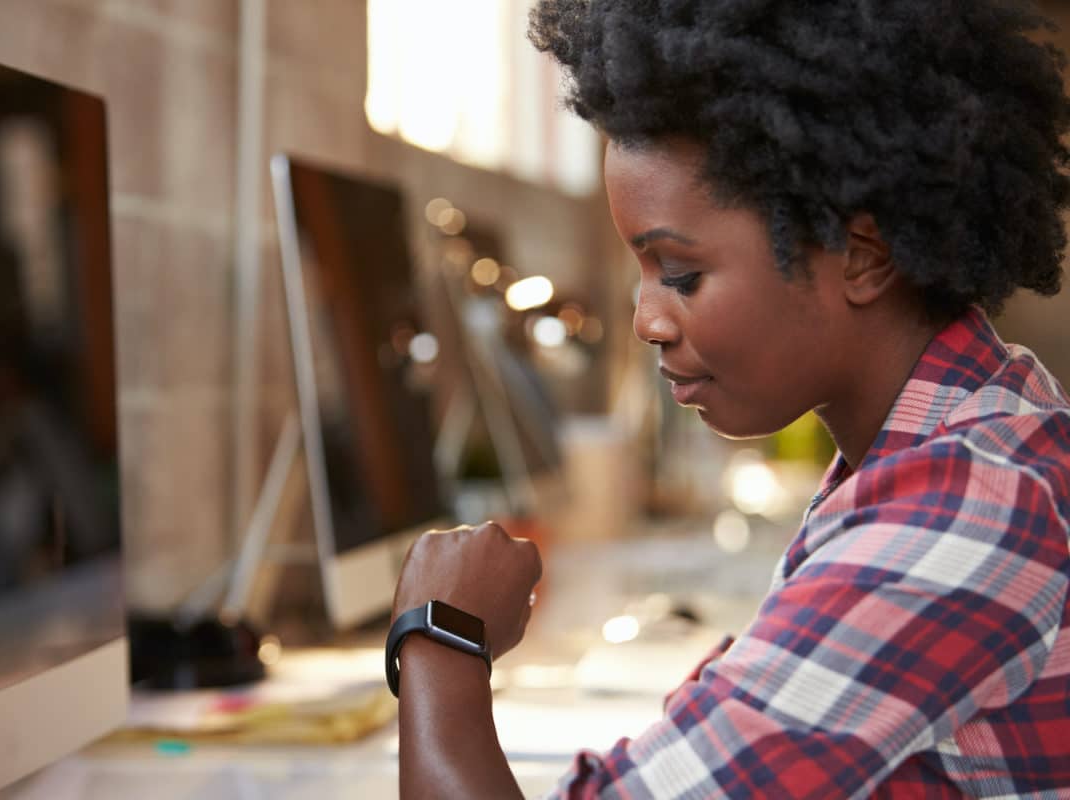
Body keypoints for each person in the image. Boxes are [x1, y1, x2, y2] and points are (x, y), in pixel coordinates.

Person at [388, 1, 1070, 797]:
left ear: (862, 258)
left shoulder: (961, 510)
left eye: (680, 275)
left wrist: (440, 635)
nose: (647, 320)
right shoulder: (971, 428)